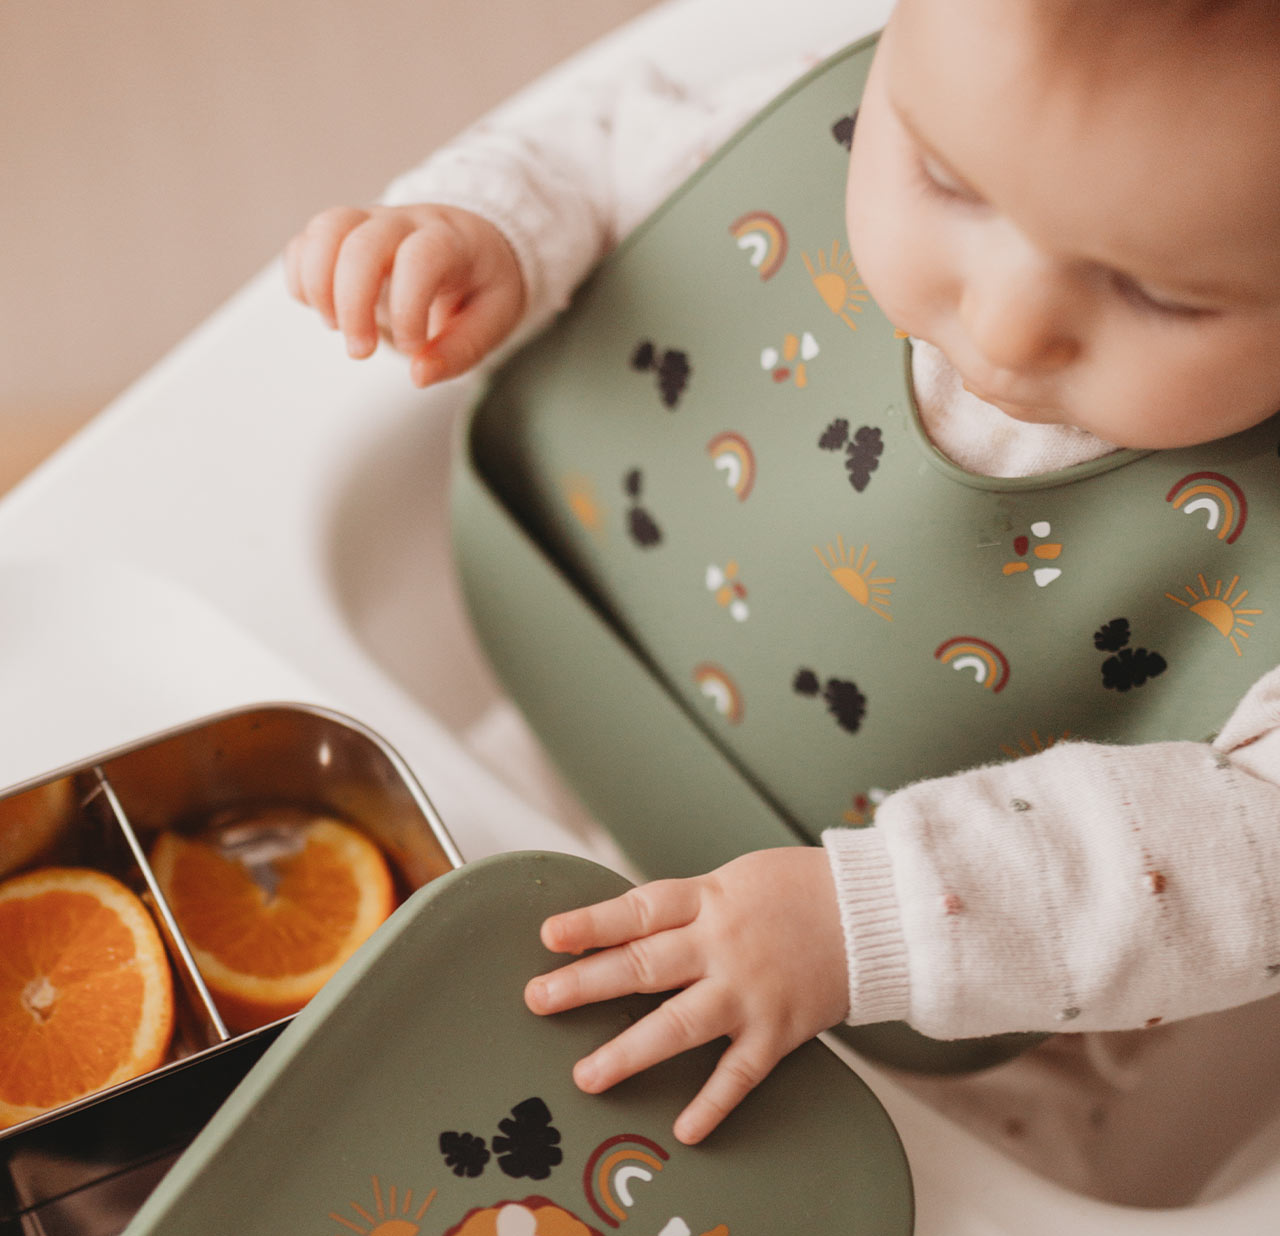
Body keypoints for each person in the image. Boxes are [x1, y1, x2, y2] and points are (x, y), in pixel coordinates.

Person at [285, 0, 1280, 1147]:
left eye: (1160, 293)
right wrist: (490, 226)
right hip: (592, 711)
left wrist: (869, 921)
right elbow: (616, 144)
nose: (1004, 325)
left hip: (965, 997)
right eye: (948, 182)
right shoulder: (830, 106)